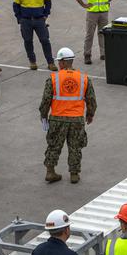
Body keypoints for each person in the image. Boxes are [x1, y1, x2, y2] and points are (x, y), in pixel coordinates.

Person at [39, 48, 97, 184]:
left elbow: (46, 100)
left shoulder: (53, 78)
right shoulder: (84, 78)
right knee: (75, 147)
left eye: (60, 62)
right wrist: (90, 114)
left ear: (64, 63)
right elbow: (91, 100)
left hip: (57, 118)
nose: (59, 64)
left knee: (53, 145)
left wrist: (43, 116)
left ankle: (50, 171)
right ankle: (74, 174)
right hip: (76, 119)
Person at [73, 0, 120, 65]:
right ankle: (87, 55)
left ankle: (103, 53)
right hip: (92, 13)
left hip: (104, 12)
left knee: (102, 33)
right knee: (90, 34)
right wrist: (83, 5)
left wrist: (109, 0)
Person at [13, 0, 54, 71]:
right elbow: (16, 5)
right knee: (28, 41)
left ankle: (50, 62)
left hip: (39, 20)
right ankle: (32, 61)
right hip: (26, 21)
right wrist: (19, 19)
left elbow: (48, 3)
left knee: (45, 40)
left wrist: (45, 15)